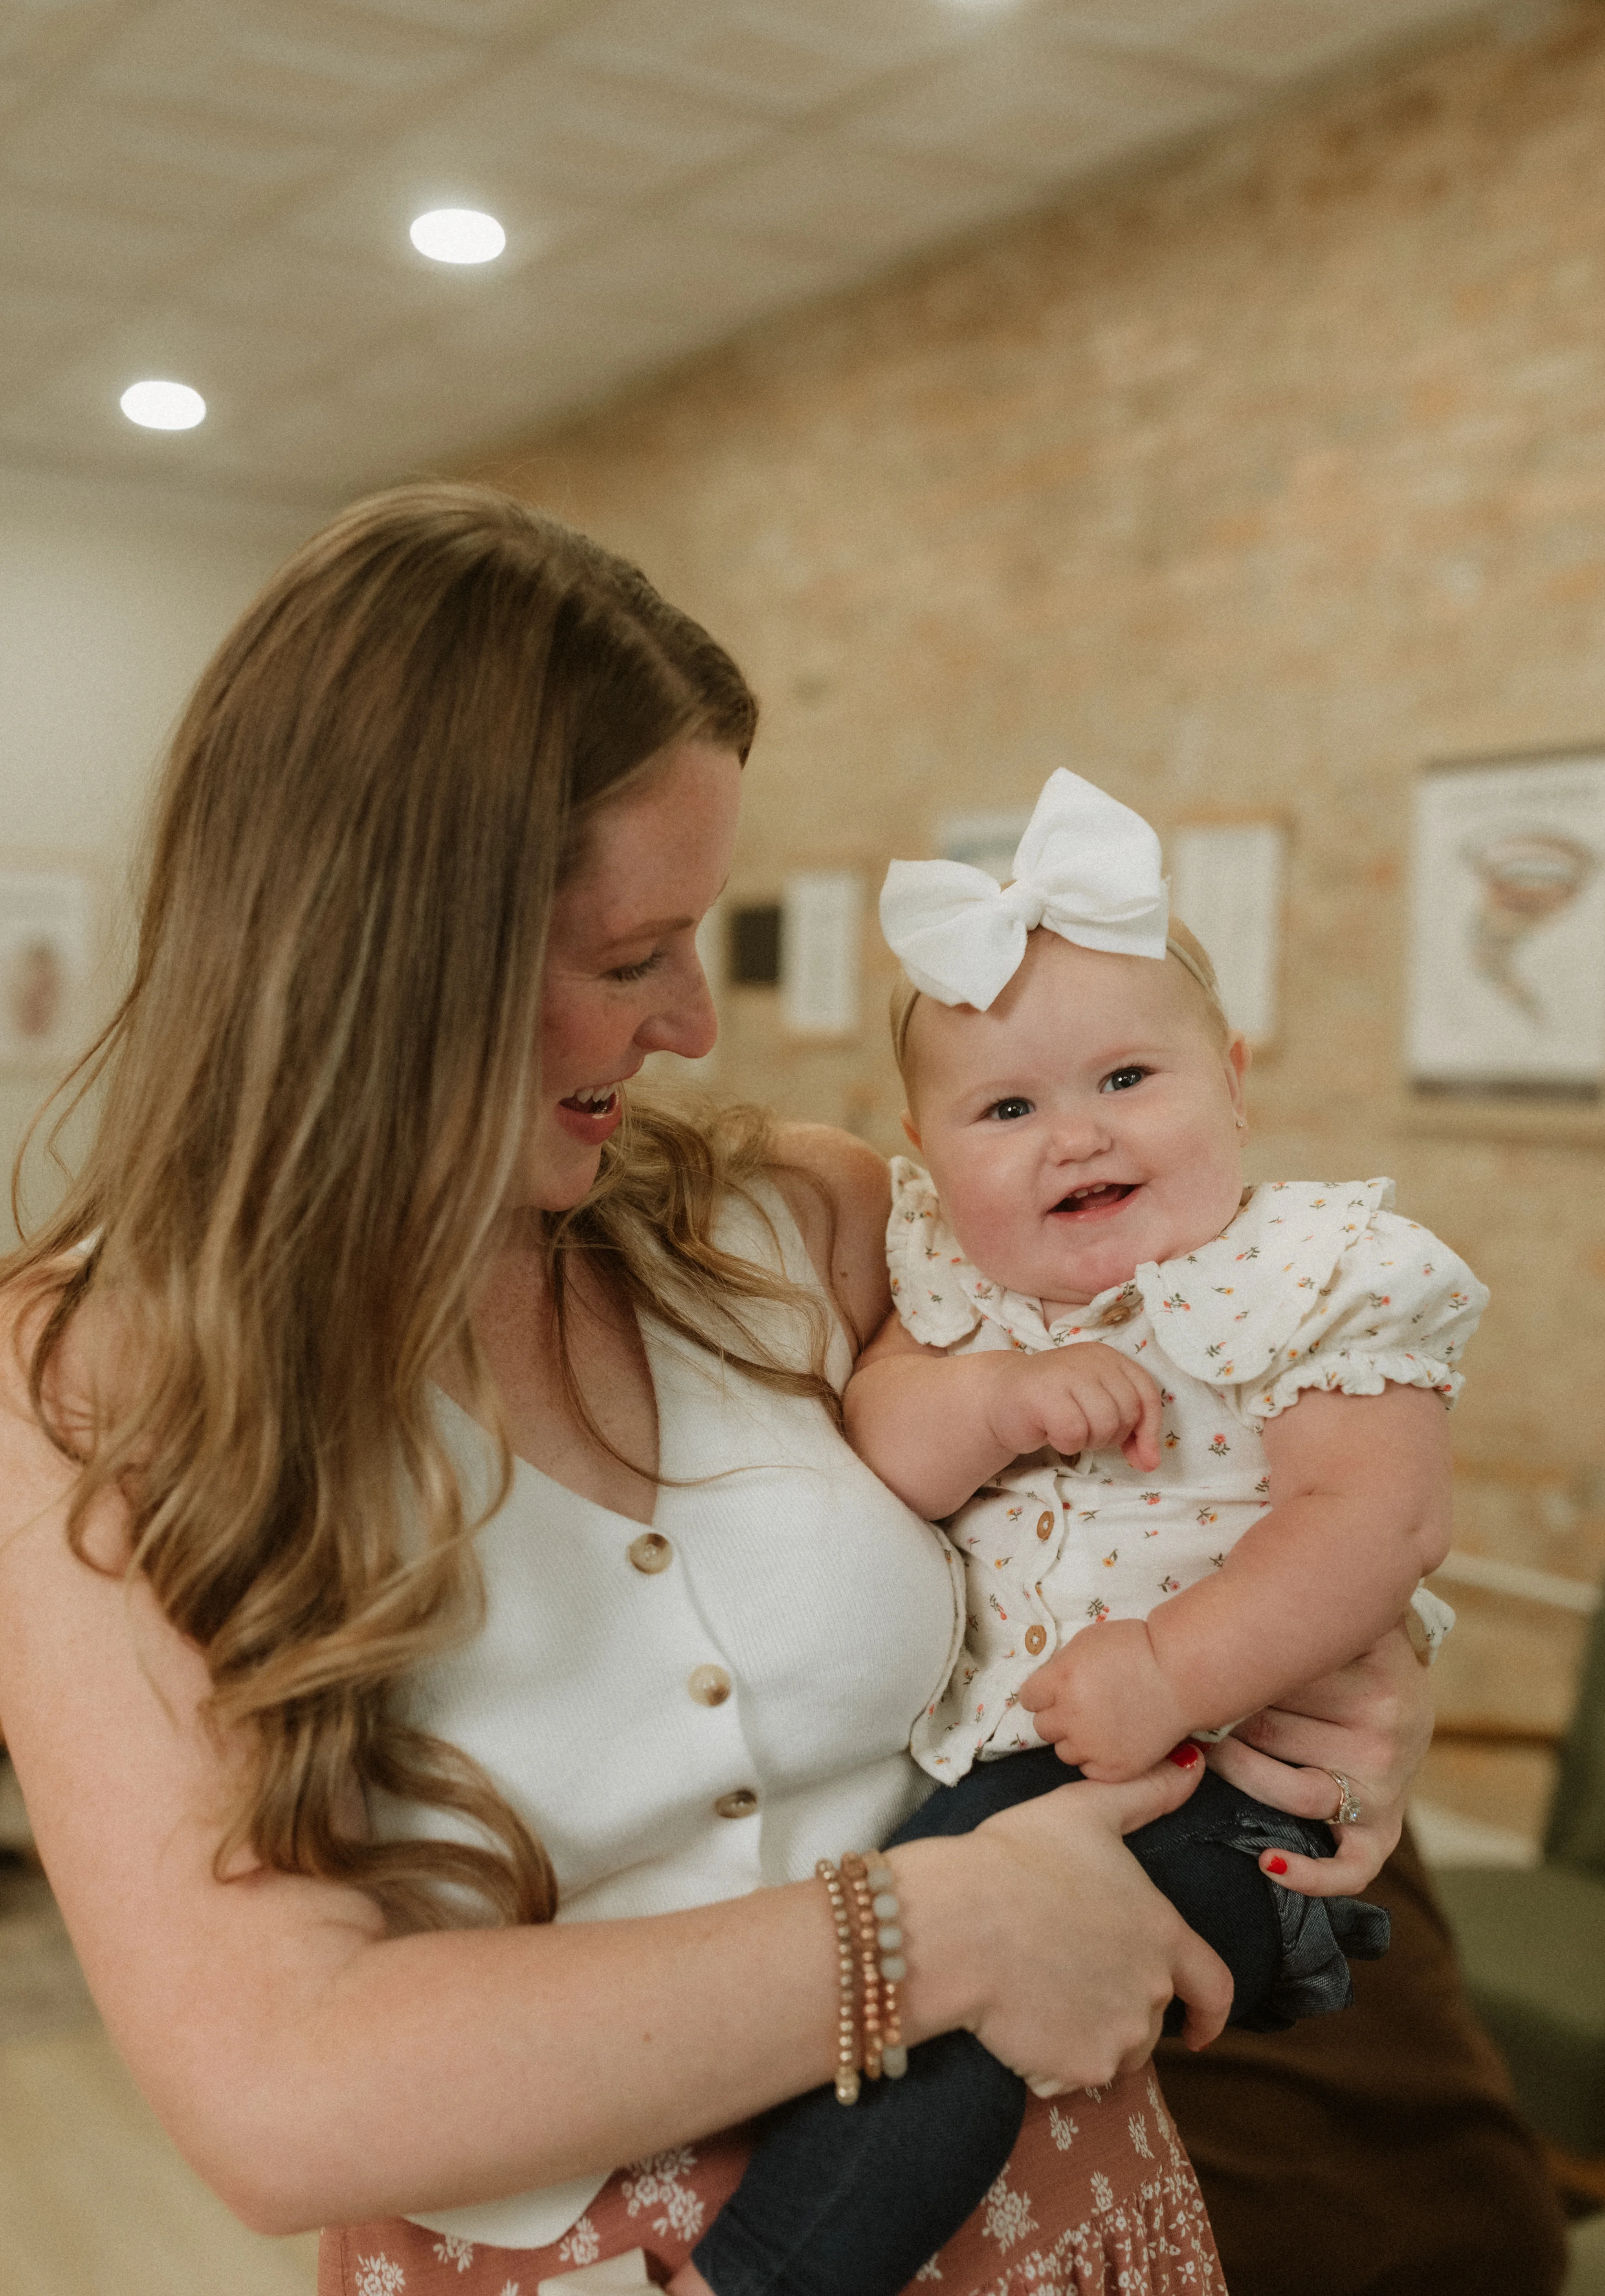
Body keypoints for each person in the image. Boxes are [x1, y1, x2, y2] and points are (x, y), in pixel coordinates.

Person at [0, 488, 1434, 2296]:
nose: (692, 1020)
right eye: (625, 960)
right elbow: (278, 2090)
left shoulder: (806, 1218)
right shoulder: (89, 1383)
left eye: (697, 934)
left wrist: (1356, 1687)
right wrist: (946, 1928)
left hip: (1065, 2205)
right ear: (390, 965)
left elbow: (1193, 1463)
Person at [682, 768, 1480, 2296]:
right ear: (924, 1150)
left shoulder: (1306, 1274)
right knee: (910, 1944)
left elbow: (1377, 1517)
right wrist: (995, 1399)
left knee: (939, 1995)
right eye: (1007, 1106)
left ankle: (769, 2272)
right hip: (1042, 1769)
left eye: (1127, 1078)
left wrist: (1173, 1670)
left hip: (1218, 1769)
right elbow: (885, 1456)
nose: (1075, 1134)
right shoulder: (960, 1299)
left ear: (1234, 1080)